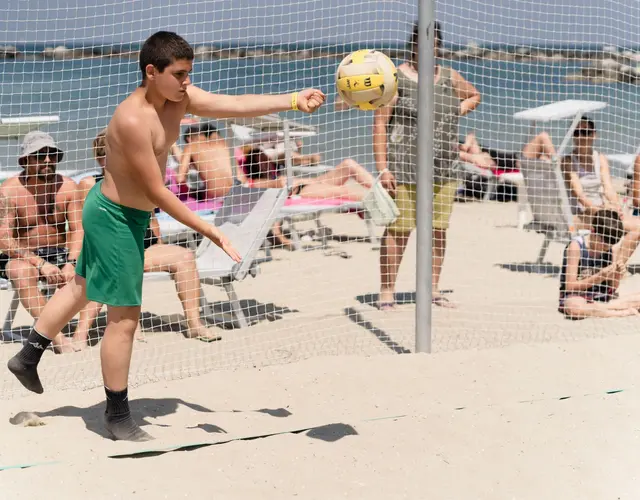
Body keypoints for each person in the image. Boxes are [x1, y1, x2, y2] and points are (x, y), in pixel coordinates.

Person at [7, 31, 325, 442]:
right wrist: (209, 228)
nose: (186, 82)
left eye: (189, 74)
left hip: (127, 216)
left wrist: (294, 100)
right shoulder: (132, 119)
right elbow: (158, 191)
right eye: (179, 74)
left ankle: (28, 355)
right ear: (151, 72)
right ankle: (117, 416)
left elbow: (233, 106)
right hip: (113, 218)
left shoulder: (181, 99)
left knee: (83, 287)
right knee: (123, 320)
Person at [73, 129, 222, 347]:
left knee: (184, 257)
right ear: (99, 157)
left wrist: (159, 243)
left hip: (143, 247)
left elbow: (152, 219)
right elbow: (83, 224)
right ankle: (81, 335)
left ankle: (194, 324)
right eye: (109, 153)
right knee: (106, 269)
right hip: (107, 249)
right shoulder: (89, 184)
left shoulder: (142, 181)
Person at [374, 21, 480, 310]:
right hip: (404, 166)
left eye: (434, 42)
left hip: (444, 166)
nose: (428, 47)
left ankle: (432, 289)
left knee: (437, 229)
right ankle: (386, 292)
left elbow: (474, 96)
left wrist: (454, 111)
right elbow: (381, 123)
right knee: (399, 229)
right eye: (422, 41)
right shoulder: (396, 77)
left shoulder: (448, 75)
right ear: (412, 43)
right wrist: (383, 168)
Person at [0, 131, 83, 354]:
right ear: (25, 160)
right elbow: (4, 240)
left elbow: (78, 230)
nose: (48, 160)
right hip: (23, 256)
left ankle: (81, 334)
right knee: (20, 272)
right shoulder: (9, 191)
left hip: (60, 252)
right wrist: (40, 263)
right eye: (40, 155)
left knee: (94, 268)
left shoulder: (68, 187)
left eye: (52, 155)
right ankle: (57, 338)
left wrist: (71, 262)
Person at [561, 117, 640, 234]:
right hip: (580, 214)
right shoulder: (567, 161)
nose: (581, 137)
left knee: (636, 225)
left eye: (585, 132)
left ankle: (614, 252)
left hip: (602, 211)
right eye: (577, 132)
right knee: (635, 227)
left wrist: (616, 206)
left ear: (594, 135)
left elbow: (608, 189)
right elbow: (579, 196)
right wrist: (601, 212)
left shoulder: (600, 158)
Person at [559, 208, 640, 319]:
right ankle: (617, 312)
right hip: (578, 296)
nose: (605, 248)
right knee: (573, 307)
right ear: (593, 230)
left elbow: (613, 287)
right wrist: (599, 277)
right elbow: (569, 286)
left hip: (603, 296)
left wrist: (617, 274)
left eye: (609, 246)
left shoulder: (612, 249)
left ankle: (604, 307)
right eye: (603, 244)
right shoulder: (576, 246)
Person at [176, 122, 233, 200]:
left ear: (188, 139)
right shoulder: (223, 143)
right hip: (235, 191)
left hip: (215, 195)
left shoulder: (191, 146)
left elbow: (180, 179)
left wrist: (192, 193)